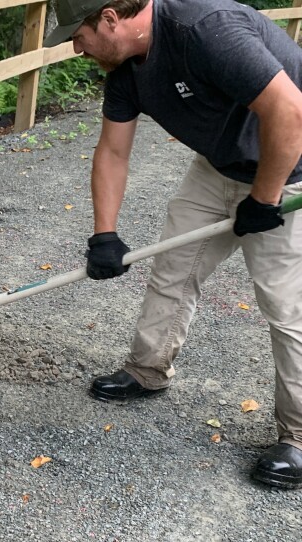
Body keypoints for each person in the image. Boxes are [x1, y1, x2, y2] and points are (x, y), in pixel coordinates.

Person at [44, 0, 302, 489]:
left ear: (110, 18)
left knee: (286, 306)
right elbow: (113, 151)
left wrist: (264, 198)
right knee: (173, 272)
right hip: (217, 169)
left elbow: (290, 110)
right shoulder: (125, 71)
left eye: (77, 34)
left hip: (288, 171)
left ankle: (299, 437)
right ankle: (147, 370)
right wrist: (104, 233)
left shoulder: (205, 29)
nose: (75, 48)